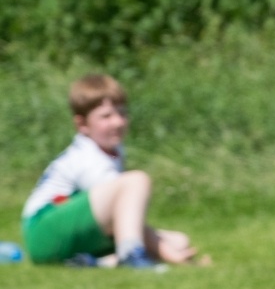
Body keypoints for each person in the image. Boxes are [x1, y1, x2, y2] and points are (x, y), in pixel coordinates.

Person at [21, 74, 197, 269]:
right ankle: (131, 255)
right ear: (82, 125)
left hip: (67, 232)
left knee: (179, 240)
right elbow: (118, 213)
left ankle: (95, 262)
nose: (118, 122)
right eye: (106, 116)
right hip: (44, 231)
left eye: (122, 113)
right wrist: (169, 254)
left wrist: (166, 247)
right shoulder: (87, 158)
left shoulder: (112, 150)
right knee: (137, 180)